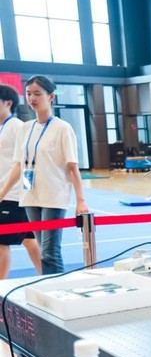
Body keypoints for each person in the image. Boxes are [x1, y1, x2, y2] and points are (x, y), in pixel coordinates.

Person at [0, 76, 89, 275]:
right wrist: (2, 193)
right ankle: (47, 285)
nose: (32, 98)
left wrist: (81, 200)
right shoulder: (25, 128)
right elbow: (19, 165)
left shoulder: (62, 128)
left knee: (50, 252)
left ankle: (57, 288)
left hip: (53, 196)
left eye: (37, 94)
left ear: (51, 97)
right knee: (42, 250)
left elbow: (72, 166)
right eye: (28, 93)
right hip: (30, 195)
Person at [0, 84, 41, 278]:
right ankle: (49, 275)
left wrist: (26, 190)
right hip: (8, 193)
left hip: (13, 195)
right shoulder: (3, 127)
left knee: (1, 243)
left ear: (8, 103)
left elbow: (28, 161)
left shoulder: (16, 126)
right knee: (29, 240)